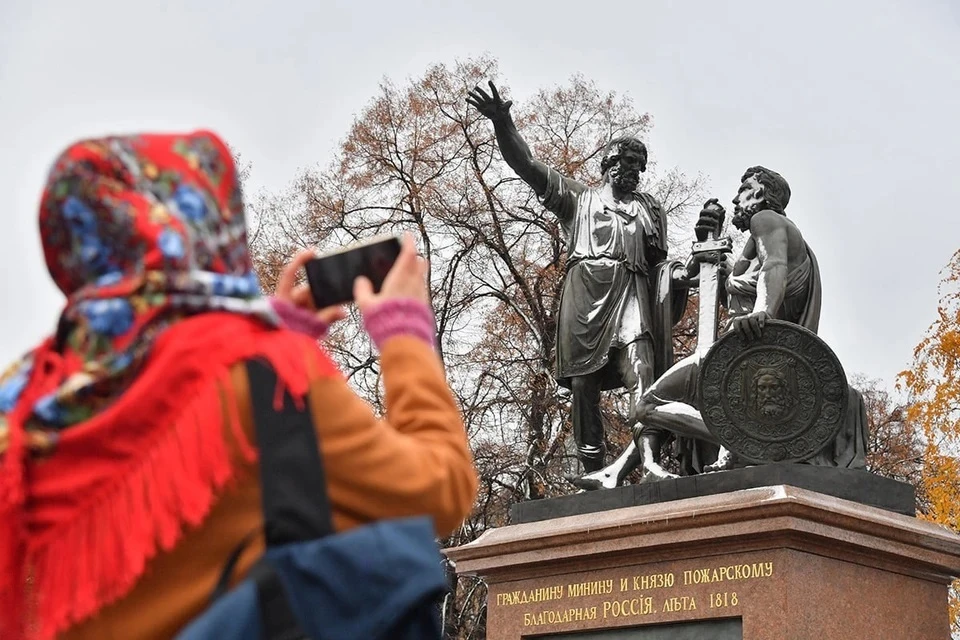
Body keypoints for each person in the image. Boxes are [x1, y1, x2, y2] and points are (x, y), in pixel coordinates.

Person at [0, 131, 478, 640]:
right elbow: (441, 490)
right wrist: (405, 337)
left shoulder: (24, 405)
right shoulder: (261, 376)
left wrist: (267, 333)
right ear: (205, 226)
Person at [467, 81, 688, 477]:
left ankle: (649, 462)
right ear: (608, 163)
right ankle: (594, 470)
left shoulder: (650, 210)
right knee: (584, 386)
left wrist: (682, 279)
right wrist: (503, 123)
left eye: (640, 166)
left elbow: (659, 271)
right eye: (627, 163)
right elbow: (527, 165)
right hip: (584, 299)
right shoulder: (579, 199)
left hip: (631, 294)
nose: (634, 172)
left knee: (642, 370)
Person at [621, 165, 865, 474]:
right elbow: (746, 289)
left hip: (745, 351)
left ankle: (739, 440)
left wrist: (763, 311)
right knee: (648, 406)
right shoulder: (758, 244)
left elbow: (773, 267)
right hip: (741, 348)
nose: (735, 200)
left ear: (760, 194)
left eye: (743, 190)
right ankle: (744, 440)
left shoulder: (766, 221)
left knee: (647, 405)